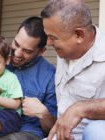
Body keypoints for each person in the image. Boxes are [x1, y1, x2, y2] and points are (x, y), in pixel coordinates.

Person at [0, 16, 57, 140]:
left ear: (41, 51)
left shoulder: (49, 75)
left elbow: (52, 128)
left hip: (26, 130)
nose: (17, 53)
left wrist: (44, 114)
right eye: (16, 44)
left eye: (27, 51)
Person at [41, 0, 105, 139]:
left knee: (97, 131)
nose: (48, 43)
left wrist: (81, 108)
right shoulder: (66, 50)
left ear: (79, 35)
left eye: (53, 38)